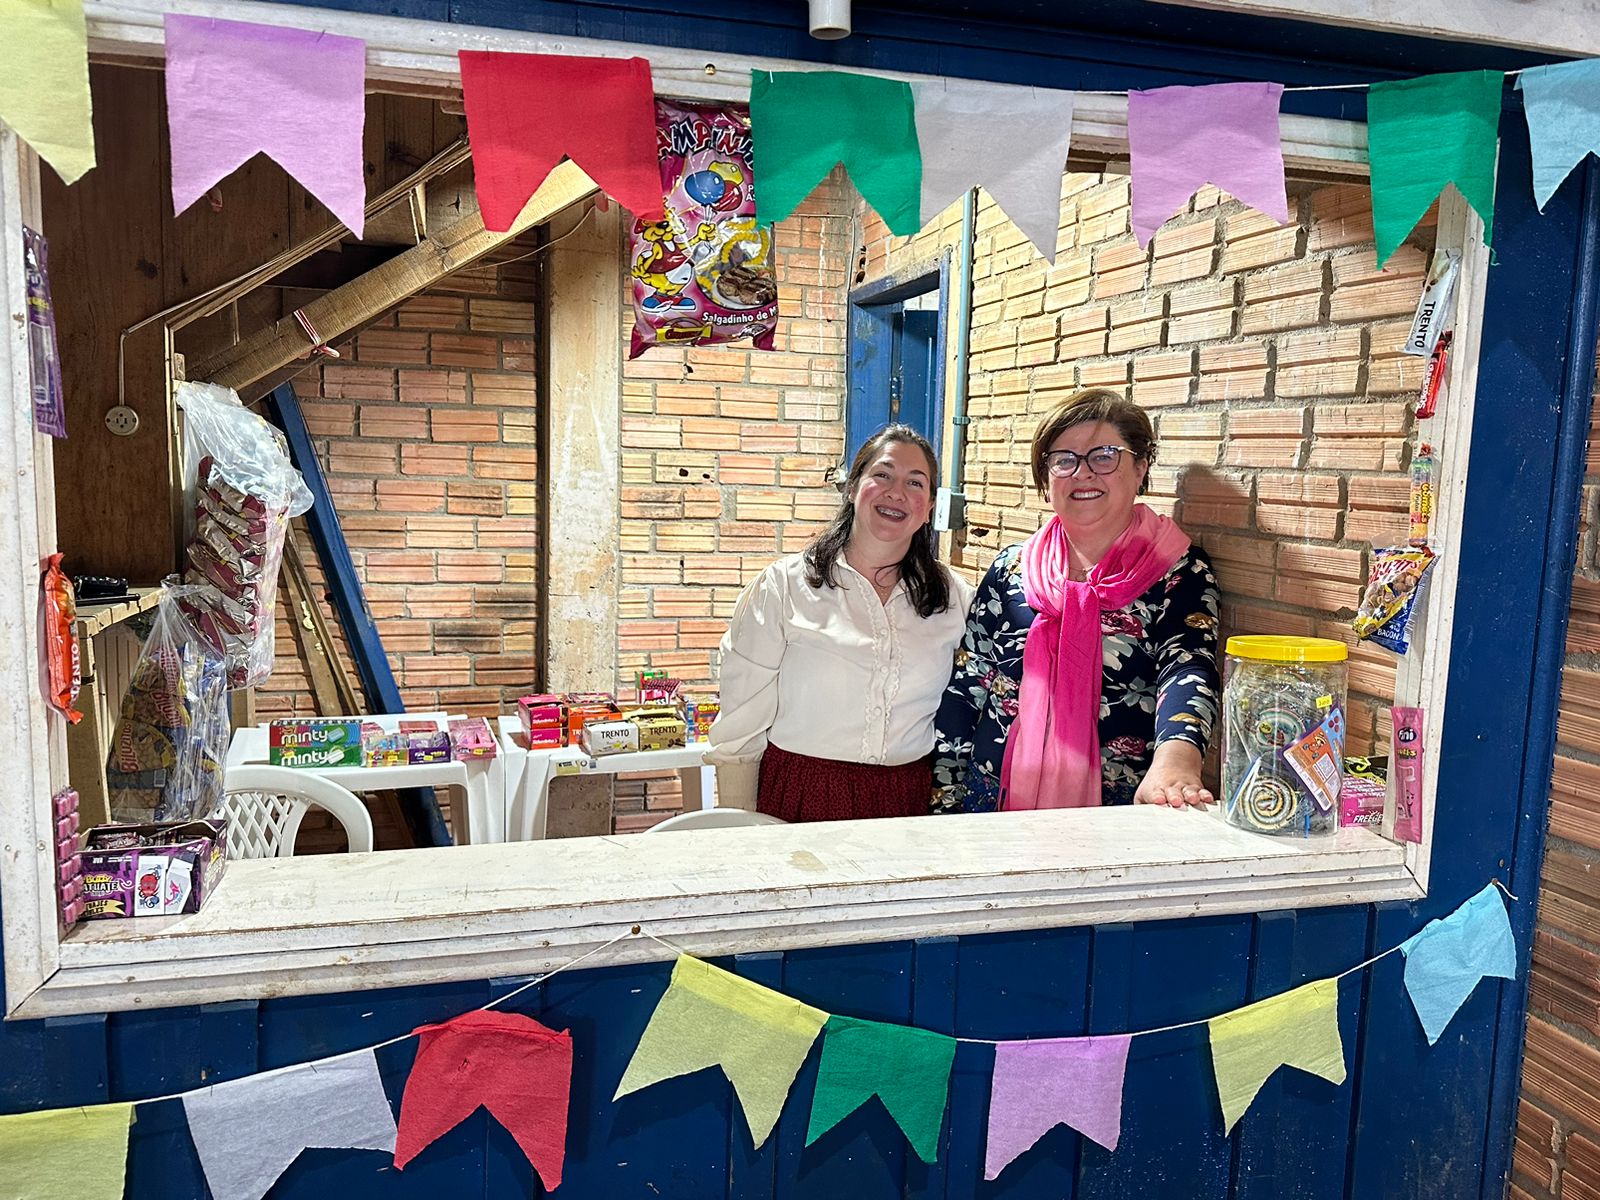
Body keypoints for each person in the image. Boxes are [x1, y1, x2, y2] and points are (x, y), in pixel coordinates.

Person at [932, 388, 1220, 813]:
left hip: (1114, 811)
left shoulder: (1178, 570)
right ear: (1046, 479)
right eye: (1064, 460)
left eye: (1104, 456)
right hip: (991, 799)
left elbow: (1188, 668)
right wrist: (944, 799)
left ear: (1140, 467)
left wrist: (1176, 762)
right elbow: (969, 681)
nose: (1083, 473)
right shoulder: (1011, 569)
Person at [707, 425, 976, 822]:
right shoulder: (785, 586)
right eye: (882, 475)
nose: (897, 492)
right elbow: (741, 717)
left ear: (929, 506)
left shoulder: (955, 598)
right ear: (853, 488)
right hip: (802, 792)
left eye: (915, 483)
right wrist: (738, 822)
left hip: (907, 799)